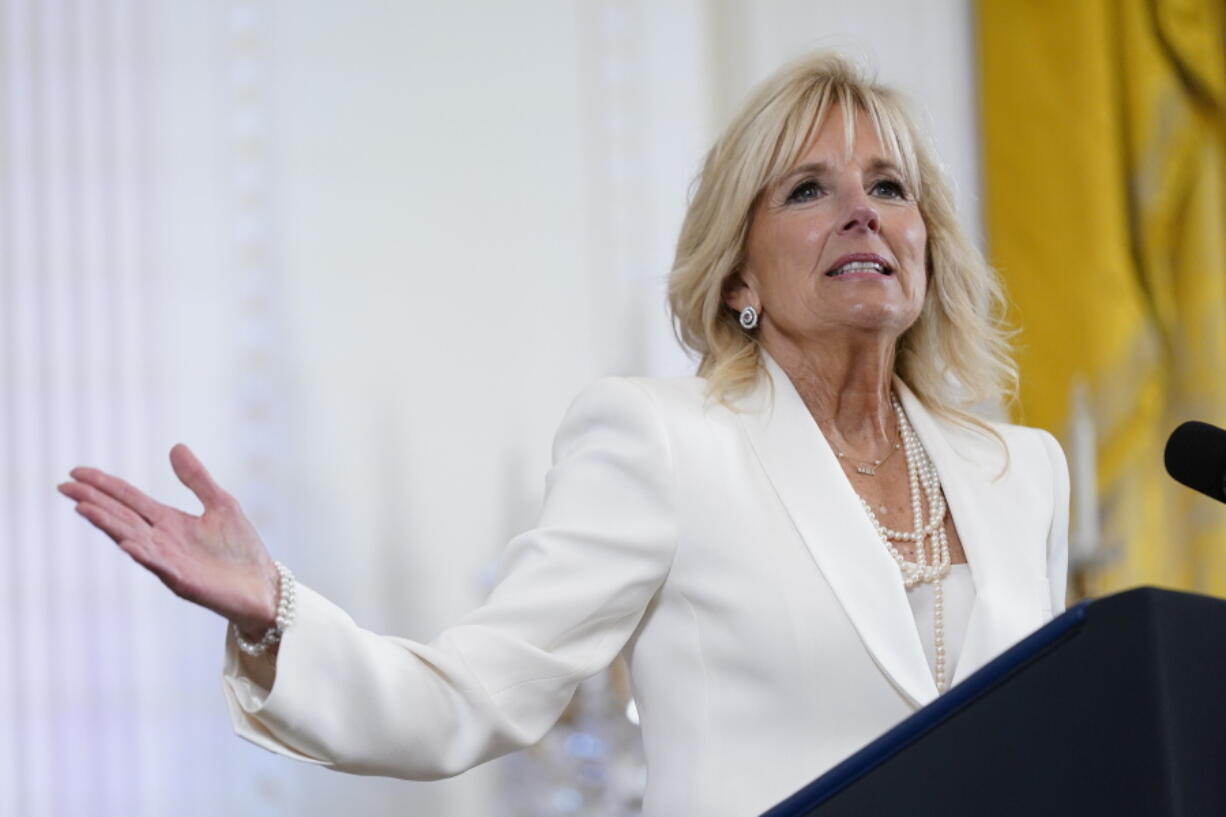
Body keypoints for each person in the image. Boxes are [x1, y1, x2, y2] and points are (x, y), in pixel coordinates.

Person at [57, 52, 1069, 817]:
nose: (861, 212)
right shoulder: (661, 443)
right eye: (809, 189)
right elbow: (465, 698)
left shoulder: (1019, 473)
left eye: (888, 187)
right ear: (737, 277)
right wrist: (271, 615)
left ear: (925, 244)